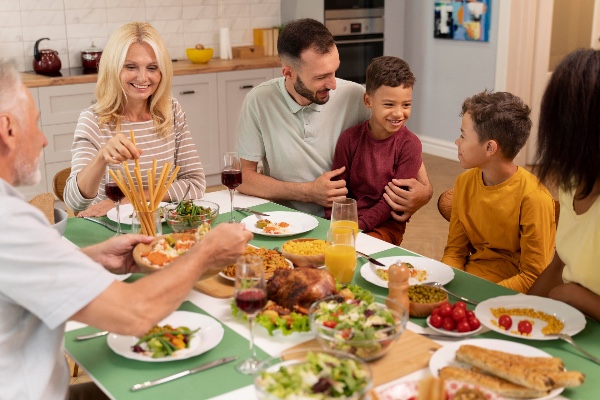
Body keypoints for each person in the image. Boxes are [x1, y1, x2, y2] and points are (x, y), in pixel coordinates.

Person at [0, 61, 253, 399]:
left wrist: (93, 256)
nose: (44, 140)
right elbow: (135, 314)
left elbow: (22, 272)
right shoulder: (10, 223)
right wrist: (204, 252)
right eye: (35, 124)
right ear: (7, 129)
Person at [235, 18, 432, 219]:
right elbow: (244, 177)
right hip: (283, 219)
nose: (333, 84)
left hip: (346, 218)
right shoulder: (258, 100)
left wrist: (425, 192)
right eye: (321, 77)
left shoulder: (355, 96)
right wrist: (308, 192)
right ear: (289, 73)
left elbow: (401, 142)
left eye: (334, 72)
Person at [64, 22, 205, 216]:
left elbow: (195, 184)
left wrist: (130, 199)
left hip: (160, 225)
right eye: (131, 67)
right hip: (110, 229)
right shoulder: (93, 120)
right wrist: (102, 158)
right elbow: (75, 202)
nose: (142, 78)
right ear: (113, 69)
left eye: (152, 67)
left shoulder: (170, 111)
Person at [441, 90, 556, 293]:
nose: (457, 142)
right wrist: (447, 282)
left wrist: (481, 296)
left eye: (462, 136)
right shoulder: (464, 183)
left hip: (510, 294)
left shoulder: (534, 198)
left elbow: (533, 276)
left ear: (490, 148)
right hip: (469, 280)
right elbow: (455, 252)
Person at [527, 49, 600, 321]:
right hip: (571, 323)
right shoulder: (572, 181)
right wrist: (514, 314)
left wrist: (572, 294)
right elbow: (558, 264)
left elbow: (564, 288)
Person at [325, 56, 422, 245]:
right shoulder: (349, 138)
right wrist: (333, 224)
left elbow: (392, 201)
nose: (398, 113)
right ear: (368, 101)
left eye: (406, 105)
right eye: (389, 104)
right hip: (348, 222)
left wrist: (357, 227)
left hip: (386, 224)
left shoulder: (411, 145)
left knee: (356, 251)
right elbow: (337, 188)